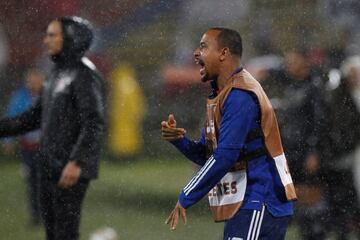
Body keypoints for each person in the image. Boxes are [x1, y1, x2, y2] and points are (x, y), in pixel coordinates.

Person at [161, 27, 296, 240]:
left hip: (261, 199)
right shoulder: (222, 96)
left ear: (223, 53)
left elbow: (225, 156)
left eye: (204, 47)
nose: (197, 53)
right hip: (246, 202)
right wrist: (180, 141)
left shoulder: (240, 95)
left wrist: (187, 194)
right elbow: (209, 155)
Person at [0, 16, 105, 240]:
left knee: (64, 232)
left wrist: (77, 162)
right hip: (49, 164)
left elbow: (94, 122)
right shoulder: (55, 74)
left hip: (68, 167)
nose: (45, 40)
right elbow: (32, 118)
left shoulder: (85, 74)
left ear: (71, 38)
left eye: (52, 35)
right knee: (53, 231)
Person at [2, 68, 44, 225]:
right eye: (30, 79)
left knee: (46, 181)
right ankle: (36, 216)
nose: (33, 83)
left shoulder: (49, 95)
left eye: (36, 79)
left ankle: (49, 214)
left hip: (46, 147)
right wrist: (8, 140)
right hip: (28, 148)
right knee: (32, 182)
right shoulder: (20, 97)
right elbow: (13, 118)